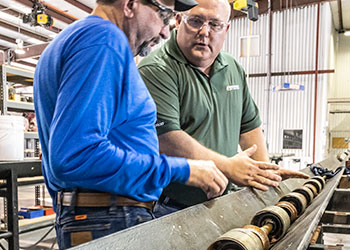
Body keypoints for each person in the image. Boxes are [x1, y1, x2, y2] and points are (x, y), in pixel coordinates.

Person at [33, 0, 229, 248]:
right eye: (163, 14)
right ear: (130, 4)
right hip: (109, 218)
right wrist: (183, 169)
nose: (165, 31)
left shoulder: (76, 39)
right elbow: (76, 156)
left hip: (99, 216)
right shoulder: (103, 40)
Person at [138, 0, 309, 216]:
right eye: (196, 21)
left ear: (226, 29)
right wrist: (229, 166)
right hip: (172, 208)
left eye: (215, 24)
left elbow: (249, 128)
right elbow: (167, 139)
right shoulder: (157, 69)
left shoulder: (232, 68)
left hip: (224, 201)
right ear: (179, 20)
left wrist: (264, 178)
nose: (204, 32)